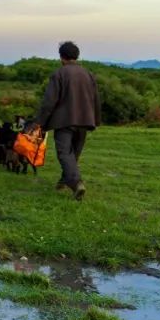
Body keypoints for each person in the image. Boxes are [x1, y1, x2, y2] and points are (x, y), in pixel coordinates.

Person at [34, 41, 101, 201]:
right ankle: (64, 181)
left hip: (64, 121)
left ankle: (77, 184)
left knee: (65, 154)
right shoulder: (88, 74)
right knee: (74, 153)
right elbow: (96, 99)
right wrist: (96, 120)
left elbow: (49, 102)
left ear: (61, 57)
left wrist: (39, 122)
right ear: (76, 56)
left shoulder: (59, 74)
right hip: (85, 120)